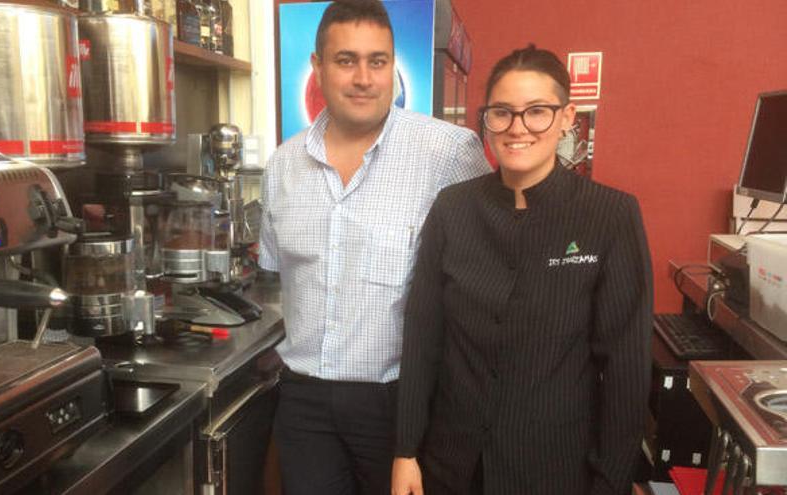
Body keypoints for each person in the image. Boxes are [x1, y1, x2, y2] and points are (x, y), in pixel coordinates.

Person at [392, 45, 653, 495]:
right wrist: (405, 450)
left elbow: (625, 368)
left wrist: (612, 481)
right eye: (502, 113)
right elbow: (422, 337)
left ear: (568, 117)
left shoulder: (609, 215)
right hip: (452, 462)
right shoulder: (454, 209)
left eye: (537, 112)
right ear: (486, 119)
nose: (517, 129)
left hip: (555, 467)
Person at [258, 0, 491, 493]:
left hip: (402, 405)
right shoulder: (282, 166)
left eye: (377, 61)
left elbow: (490, 274)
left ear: (391, 66)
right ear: (318, 69)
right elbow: (275, 271)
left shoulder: (448, 153)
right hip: (304, 404)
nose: (363, 77)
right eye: (346, 60)